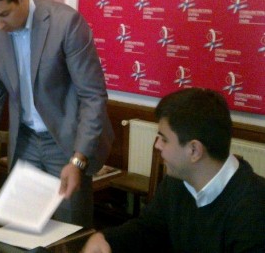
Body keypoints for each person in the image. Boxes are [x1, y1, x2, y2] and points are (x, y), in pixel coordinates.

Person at [0, 0, 114, 227]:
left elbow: (93, 96)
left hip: (67, 142)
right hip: (26, 141)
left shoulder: (65, 23)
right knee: (20, 226)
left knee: (69, 230)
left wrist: (78, 160)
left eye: (4, 14)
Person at [82, 88, 265, 253]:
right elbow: (149, 229)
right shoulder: (178, 180)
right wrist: (106, 240)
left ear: (194, 151)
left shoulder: (254, 209)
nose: (157, 145)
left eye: (164, 139)